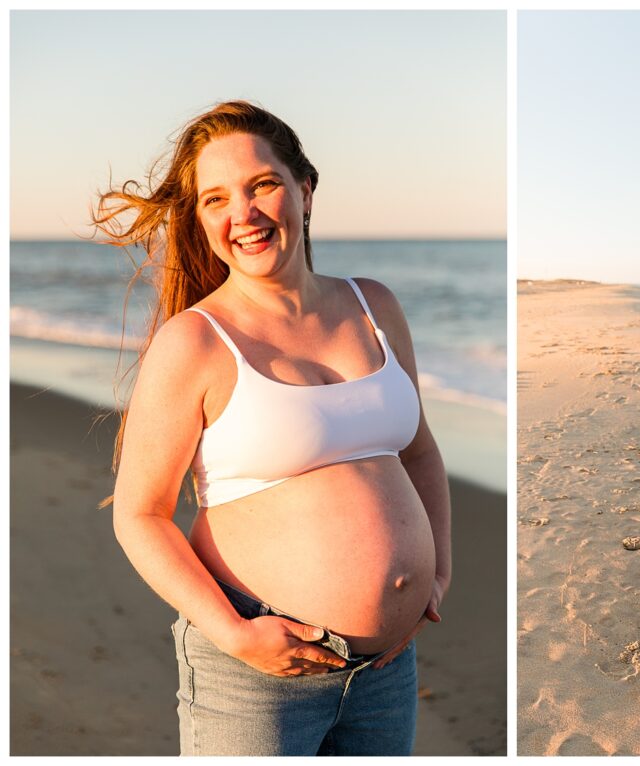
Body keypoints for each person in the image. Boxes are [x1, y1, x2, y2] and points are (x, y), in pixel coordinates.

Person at [93, 101, 451, 756]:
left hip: (386, 673)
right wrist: (234, 635)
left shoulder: (375, 306)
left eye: (262, 185)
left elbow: (421, 451)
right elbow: (139, 515)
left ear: (303, 191)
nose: (245, 214)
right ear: (200, 222)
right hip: (257, 677)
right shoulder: (195, 342)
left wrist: (437, 568)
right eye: (216, 200)